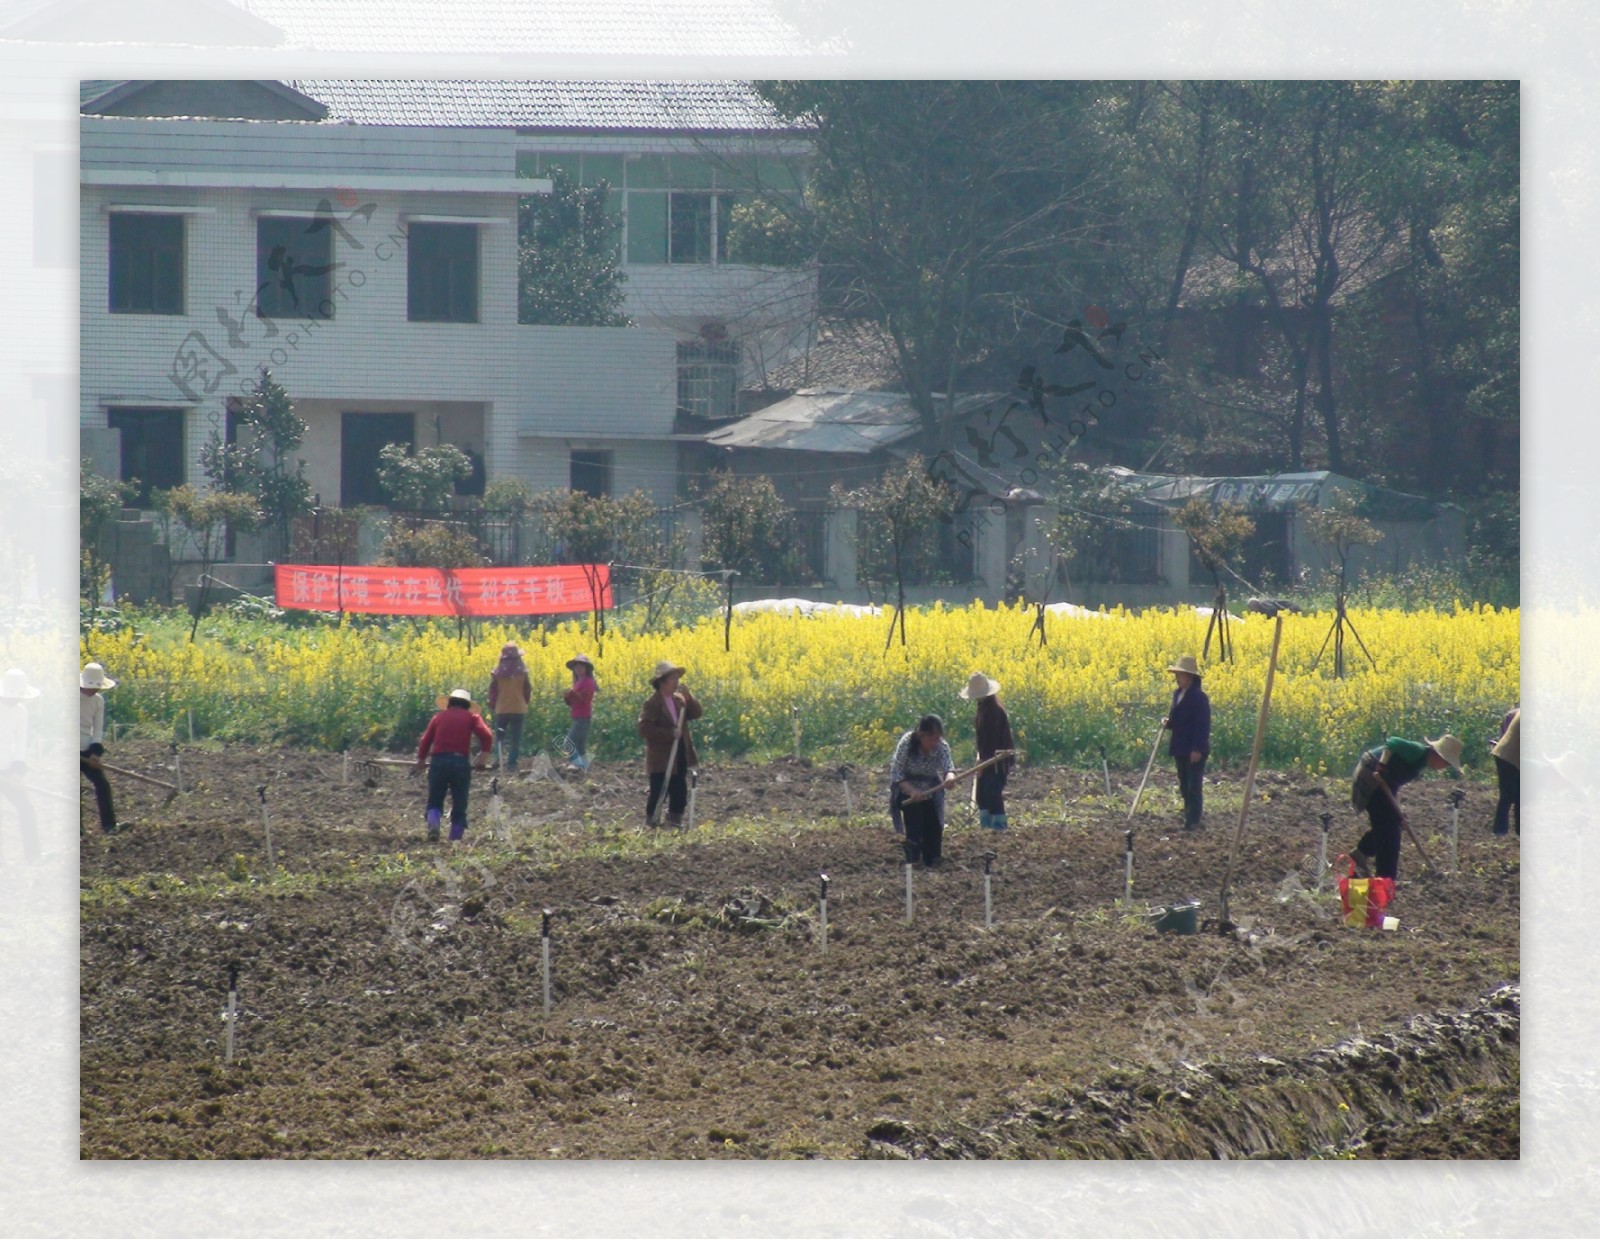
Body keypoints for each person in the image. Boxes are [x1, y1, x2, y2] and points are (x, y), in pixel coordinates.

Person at [1350, 732, 1463, 878]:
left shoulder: (1419, 763)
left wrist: (1399, 813)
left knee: (1392, 823)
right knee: (1388, 831)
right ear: (1438, 756)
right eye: (1446, 763)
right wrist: (1382, 765)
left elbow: (1393, 785)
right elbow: (1392, 742)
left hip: (1382, 783)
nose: (1445, 767)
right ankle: (1385, 879)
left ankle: (1361, 854)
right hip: (1371, 774)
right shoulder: (1417, 751)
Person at [415, 688, 494, 843]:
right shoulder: (472, 717)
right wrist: (482, 759)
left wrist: (421, 760)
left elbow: (426, 740)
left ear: (450, 703)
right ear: (467, 705)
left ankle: (434, 826)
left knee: (435, 800)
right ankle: (455, 841)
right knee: (460, 803)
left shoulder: (438, 717)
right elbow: (487, 736)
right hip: (460, 763)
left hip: (438, 762)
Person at [637, 660, 702, 828]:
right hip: (661, 756)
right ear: (662, 682)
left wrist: (690, 698)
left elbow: (696, 713)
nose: (677, 682)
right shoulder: (652, 703)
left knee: (679, 789)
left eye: (677, 678)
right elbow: (645, 728)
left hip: (679, 751)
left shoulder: (679, 700)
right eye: (673, 679)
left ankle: (674, 823)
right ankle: (652, 823)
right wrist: (668, 734)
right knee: (659, 790)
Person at [889, 714, 957, 867]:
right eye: (931, 738)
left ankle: (933, 859)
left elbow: (948, 767)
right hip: (906, 789)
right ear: (921, 735)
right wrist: (912, 791)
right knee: (915, 821)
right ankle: (914, 860)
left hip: (930, 789)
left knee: (934, 825)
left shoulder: (941, 746)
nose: (934, 742)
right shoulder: (907, 743)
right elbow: (897, 773)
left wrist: (950, 778)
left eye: (937, 738)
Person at [959, 672, 1014, 831]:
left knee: (992, 793)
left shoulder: (994, 711)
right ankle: (986, 829)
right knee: (981, 796)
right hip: (987, 757)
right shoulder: (983, 708)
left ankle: (999, 829)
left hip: (997, 758)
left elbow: (991, 740)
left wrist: (983, 762)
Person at [1162, 655, 1211, 831]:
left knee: (1193, 786)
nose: (1177, 678)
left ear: (1190, 677)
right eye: (1176, 674)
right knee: (1184, 784)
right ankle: (1188, 816)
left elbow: (1203, 725)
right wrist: (1168, 723)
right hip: (1180, 747)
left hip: (1194, 749)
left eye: (1180, 675)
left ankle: (1194, 821)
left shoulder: (1199, 698)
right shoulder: (1177, 695)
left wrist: (1197, 748)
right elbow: (1177, 720)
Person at [0, 668, 41, 863]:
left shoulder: (21, 711)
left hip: (8, 769)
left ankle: (33, 856)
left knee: (26, 808)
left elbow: (20, 743)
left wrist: (16, 771)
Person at [79, 662, 122, 834]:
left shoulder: (98, 701)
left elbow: (97, 729)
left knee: (103, 785)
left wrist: (96, 752)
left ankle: (109, 825)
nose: (94, 690)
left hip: (87, 748)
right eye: (91, 687)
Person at [486, 641, 532, 773]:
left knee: (500, 736)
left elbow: (492, 692)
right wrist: (524, 703)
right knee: (515, 738)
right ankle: (512, 764)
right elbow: (527, 690)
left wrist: (492, 705)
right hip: (519, 709)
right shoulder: (523, 672)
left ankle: (497, 760)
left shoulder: (497, 674)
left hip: (502, 709)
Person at [563, 655, 599, 771]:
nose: (578, 669)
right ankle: (585, 769)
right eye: (576, 666)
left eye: (581, 666)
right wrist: (569, 698)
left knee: (568, 743)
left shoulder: (588, 682)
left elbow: (585, 699)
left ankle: (578, 765)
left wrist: (573, 695)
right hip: (580, 716)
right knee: (580, 746)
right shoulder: (579, 682)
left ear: (586, 669)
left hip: (582, 717)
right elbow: (575, 701)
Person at [1491, 705, 1520, 836]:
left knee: (1508, 796)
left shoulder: (1514, 714)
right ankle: (1513, 831)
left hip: (1504, 753)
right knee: (1517, 794)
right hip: (1511, 755)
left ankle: (1500, 831)